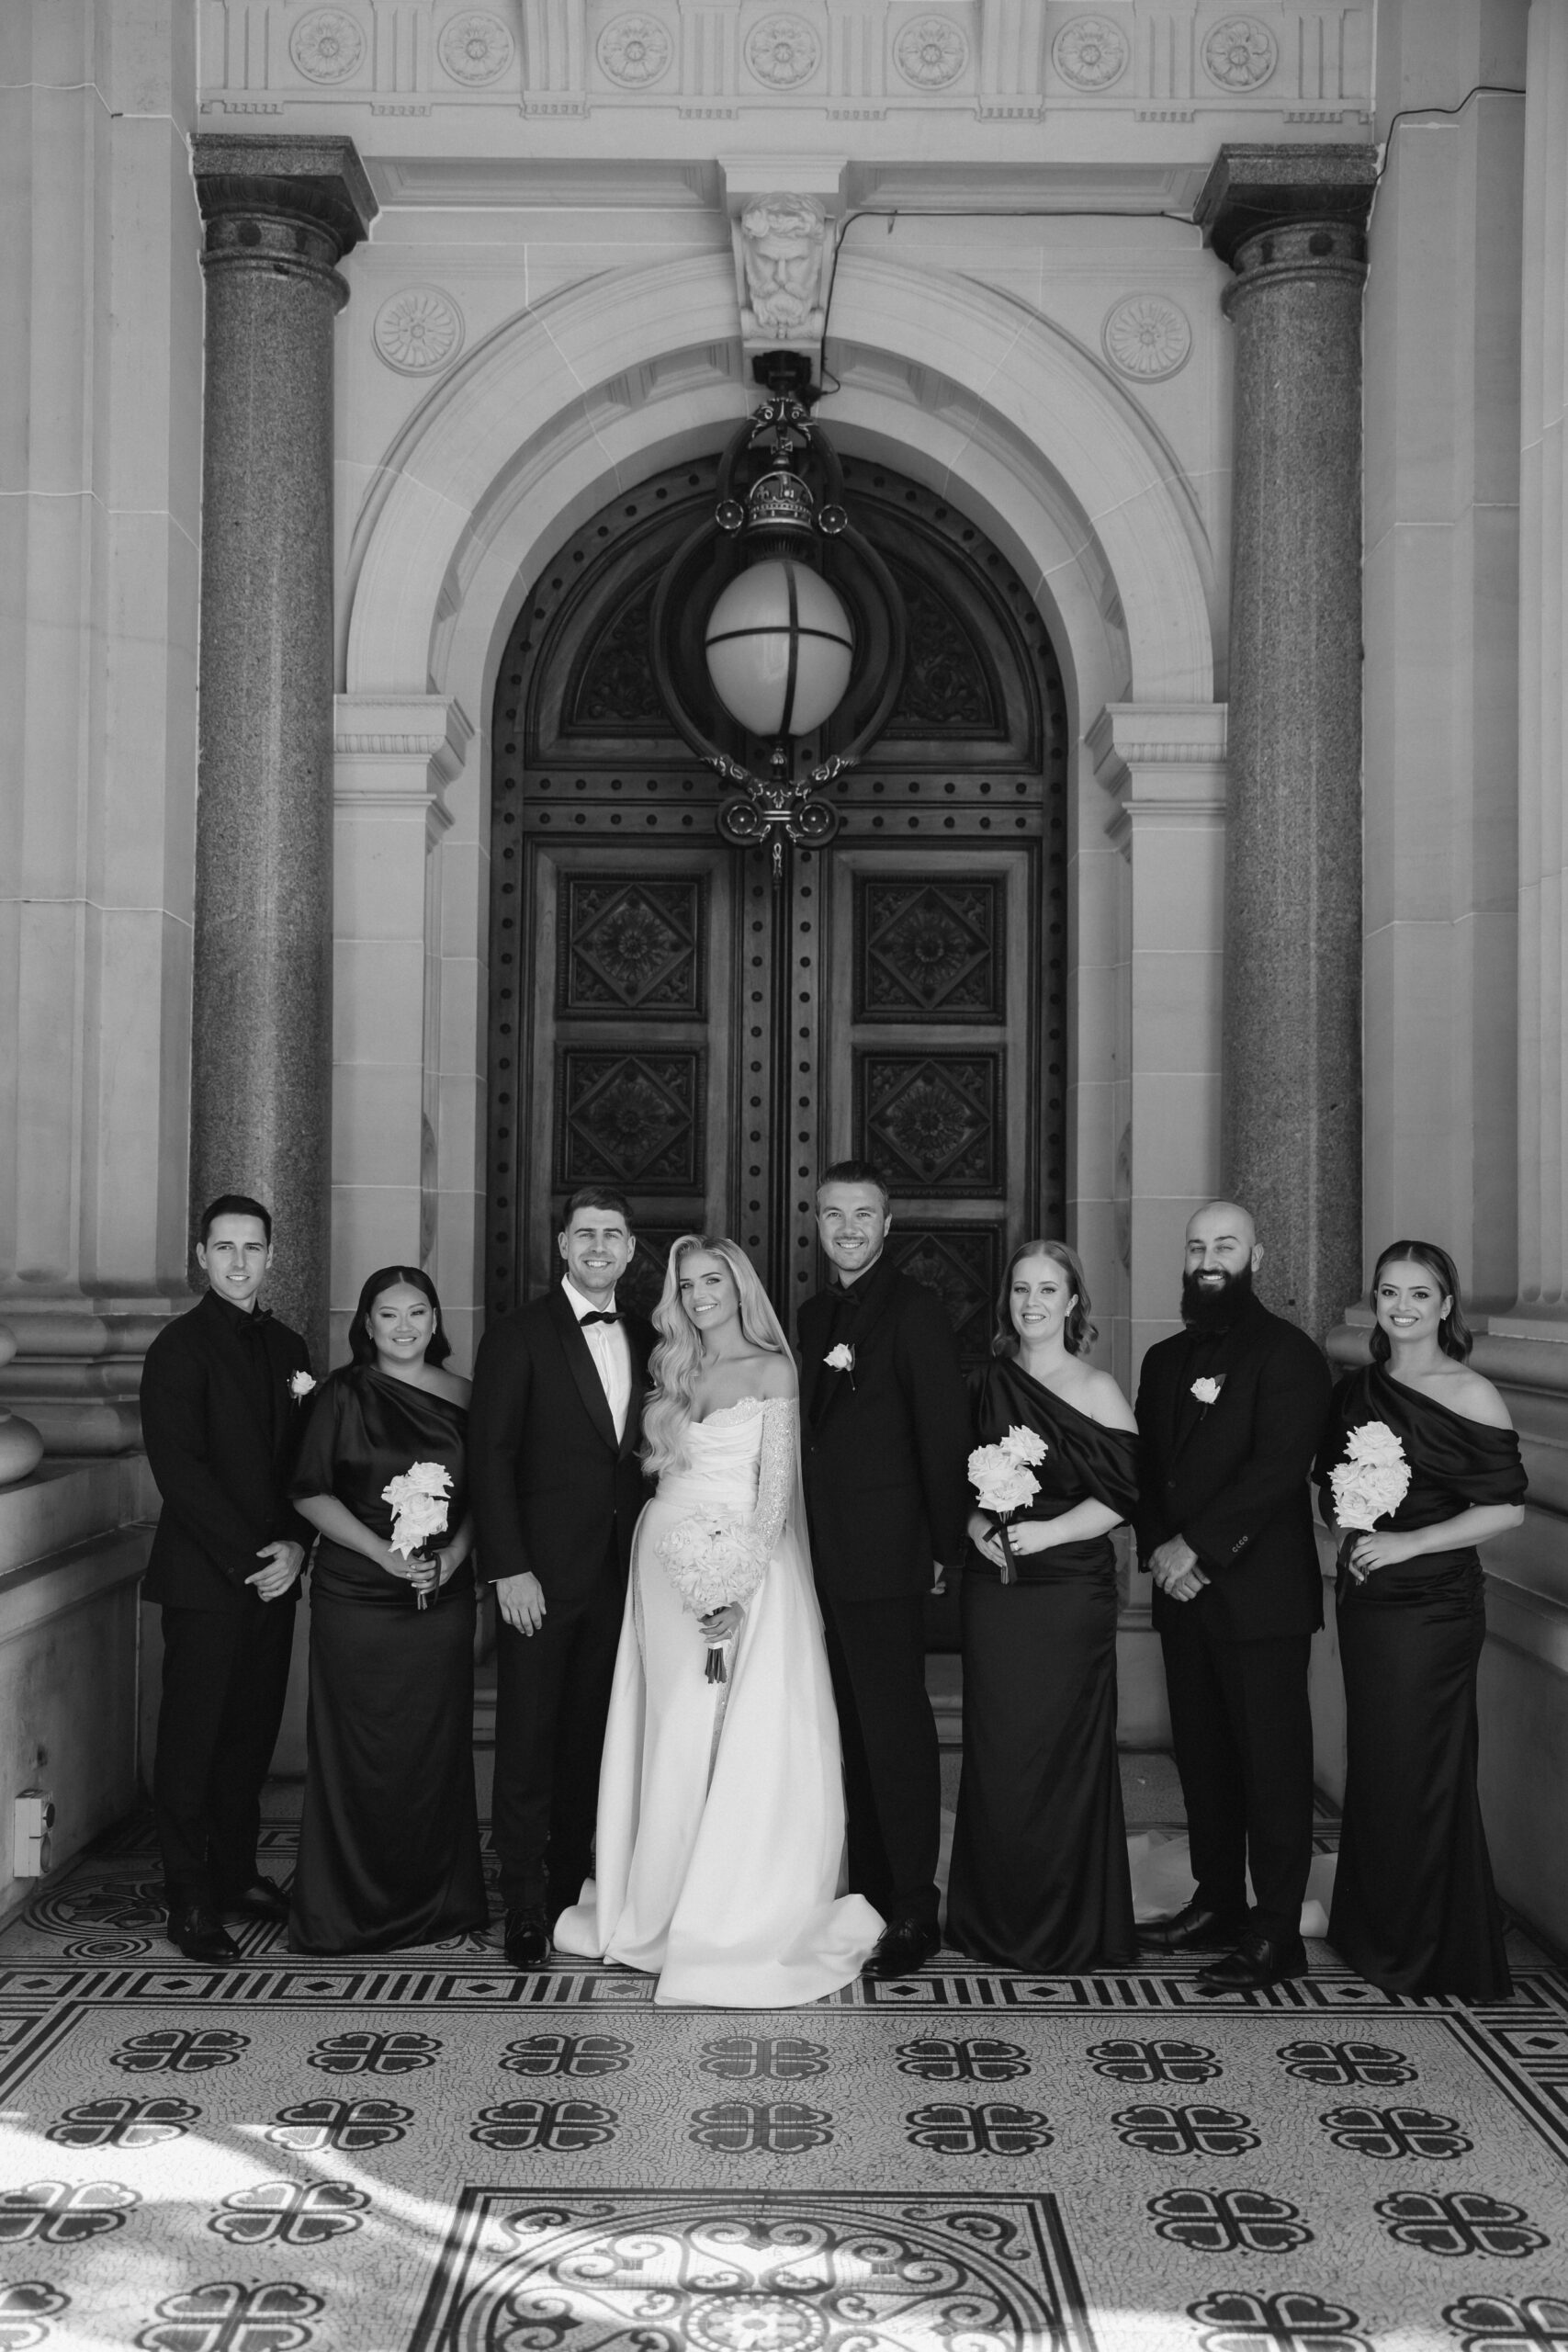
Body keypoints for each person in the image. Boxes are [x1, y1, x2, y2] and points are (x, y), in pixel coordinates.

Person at [555, 1238, 883, 2002]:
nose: (700, 1295)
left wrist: (737, 1586)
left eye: (713, 1281)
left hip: (743, 1563)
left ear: (740, 1288)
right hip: (659, 1564)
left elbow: (774, 1495)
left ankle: (725, 1902)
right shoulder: (671, 1365)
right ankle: (661, 1897)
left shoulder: (771, 1369)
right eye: (687, 1283)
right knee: (669, 1724)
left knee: (731, 1728)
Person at [1316, 1240, 1526, 1999]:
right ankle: (1374, 1929)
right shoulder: (1355, 1390)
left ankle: (1433, 1942)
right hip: (1368, 1604)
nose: (1400, 1307)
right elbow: (1332, 1488)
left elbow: (1505, 1508)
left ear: (1445, 1304)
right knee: (1376, 1763)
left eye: (1417, 1294)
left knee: (1422, 1767)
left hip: (1434, 1605)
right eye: (1388, 1293)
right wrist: (1352, 1525)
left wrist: (1408, 1542)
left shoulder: (1468, 1392)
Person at [1134, 1200, 1333, 1992]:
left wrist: (1198, 1549)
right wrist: (1158, 1548)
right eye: (1195, 1246)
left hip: (1258, 1600)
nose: (1207, 1257)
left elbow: (1276, 1471)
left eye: (1224, 1244)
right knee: (1204, 1761)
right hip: (1181, 1595)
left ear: (1257, 1256)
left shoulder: (1288, 1355)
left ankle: (1274, 1930)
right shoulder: (1160, 1358)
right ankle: (1215, 1901)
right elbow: (1145, 1471)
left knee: (1272, 1767)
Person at [468, 1187, 656, 1971]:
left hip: (624, 1581)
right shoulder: (518, 1336)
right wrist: (508, 1567)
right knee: (527, 1740)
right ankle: (520, 1900)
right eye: (585, 1235)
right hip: (538, 1581)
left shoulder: (653, 1339)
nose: (599, 1247)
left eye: (612, 1235)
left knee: (592, 1740)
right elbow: (491, 1458)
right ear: (561, 1246)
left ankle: (575, 1887)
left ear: (631, 1249)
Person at [946, 1240, 1140, 1973]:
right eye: (1020, 1289)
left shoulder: (1096, 1389)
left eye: (1047, 1290)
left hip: (1066, 1593)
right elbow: (955, 1483)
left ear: (1071, 1303)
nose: (1032, 1302)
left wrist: (1050, 1531)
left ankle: (1064, 1919)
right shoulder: (983, 1384)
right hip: (996, 1593)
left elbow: (1123, 1496)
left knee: (1060, 1750)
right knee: (998, 1751)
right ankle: (992, 1916)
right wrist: (976, 1530)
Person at [796, 1161, 969, 1979]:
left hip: (887, 1553)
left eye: (862, 1215)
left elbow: (942, 1434)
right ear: (818, 1224)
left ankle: (912, 1906)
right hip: (816, 1557)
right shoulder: (808, 1313)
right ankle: (863, 1886)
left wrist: (943, 1547)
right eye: (834, 1215)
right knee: (847, 1730)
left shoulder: (917, 1309)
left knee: (896, 1730)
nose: (848, 1229)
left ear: (887, 1223)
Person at [288, 1267, 486, 1954]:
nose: (404, 1327)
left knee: (433, 1751)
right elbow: (309, 1492)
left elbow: (490, 1495)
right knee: (357, 1753)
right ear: (366, 1324)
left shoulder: (467, 1396)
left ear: (436, 1320)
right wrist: (382, 1553)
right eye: (388, 1314)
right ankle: (345, 1908)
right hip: (359, 1597)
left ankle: (439, 1902)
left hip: (442, 1599)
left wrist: (458, 1556)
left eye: (417, 1313)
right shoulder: (340, 1394)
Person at [140, 1194, 315, 1962]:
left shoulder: (291, 1348)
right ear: (201, 1256)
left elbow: (309, 1466)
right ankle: (187, 1896)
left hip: (277, 1575)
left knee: (249, 1736)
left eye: (253, 1248)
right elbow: (182, 1474)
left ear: (271, 1256)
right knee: (192, 1741)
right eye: (224, 1248)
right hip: (208, 1581)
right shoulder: (176, 1350)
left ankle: (238, 1874)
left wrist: (298, 1547)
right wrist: (259, 1559)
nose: (239, 1261)